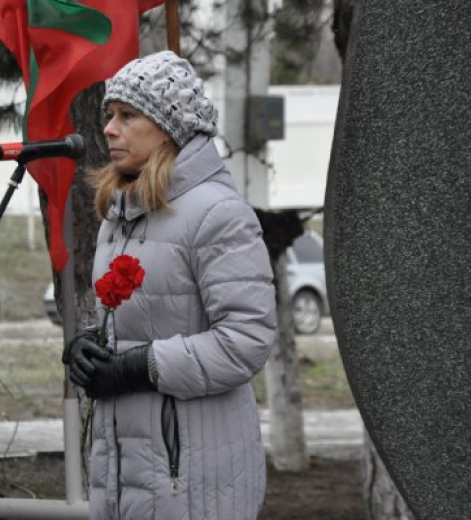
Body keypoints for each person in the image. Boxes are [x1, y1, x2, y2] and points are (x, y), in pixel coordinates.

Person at [62, 50, 277, 520]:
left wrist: (138, 367)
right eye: (109, 115)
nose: (109, 128)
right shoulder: (119, 215)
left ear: (168, 127)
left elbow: (247, 341)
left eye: (127, 115)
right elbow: (129, 326)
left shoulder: (217, 214)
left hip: (193, 483)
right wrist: (87, 348)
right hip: (126, 474)